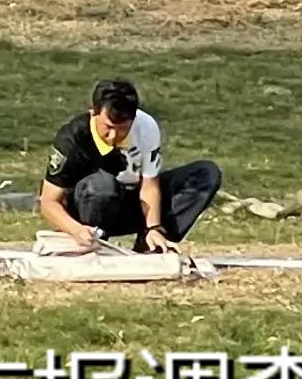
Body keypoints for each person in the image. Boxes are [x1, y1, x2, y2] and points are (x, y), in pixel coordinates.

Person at [41, 76, 221, 253]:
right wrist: (76, 230)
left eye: (122, 129)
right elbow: (48, 201)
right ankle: (95, 245)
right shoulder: (72, 139)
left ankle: (153, 245)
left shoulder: (146, 127)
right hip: (89, 209)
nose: (113, 136)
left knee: (205, 173)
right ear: (93, 112)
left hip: (129, 202)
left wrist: (154, 227)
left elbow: (150, 185)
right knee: (102, 185)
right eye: (108, 127)